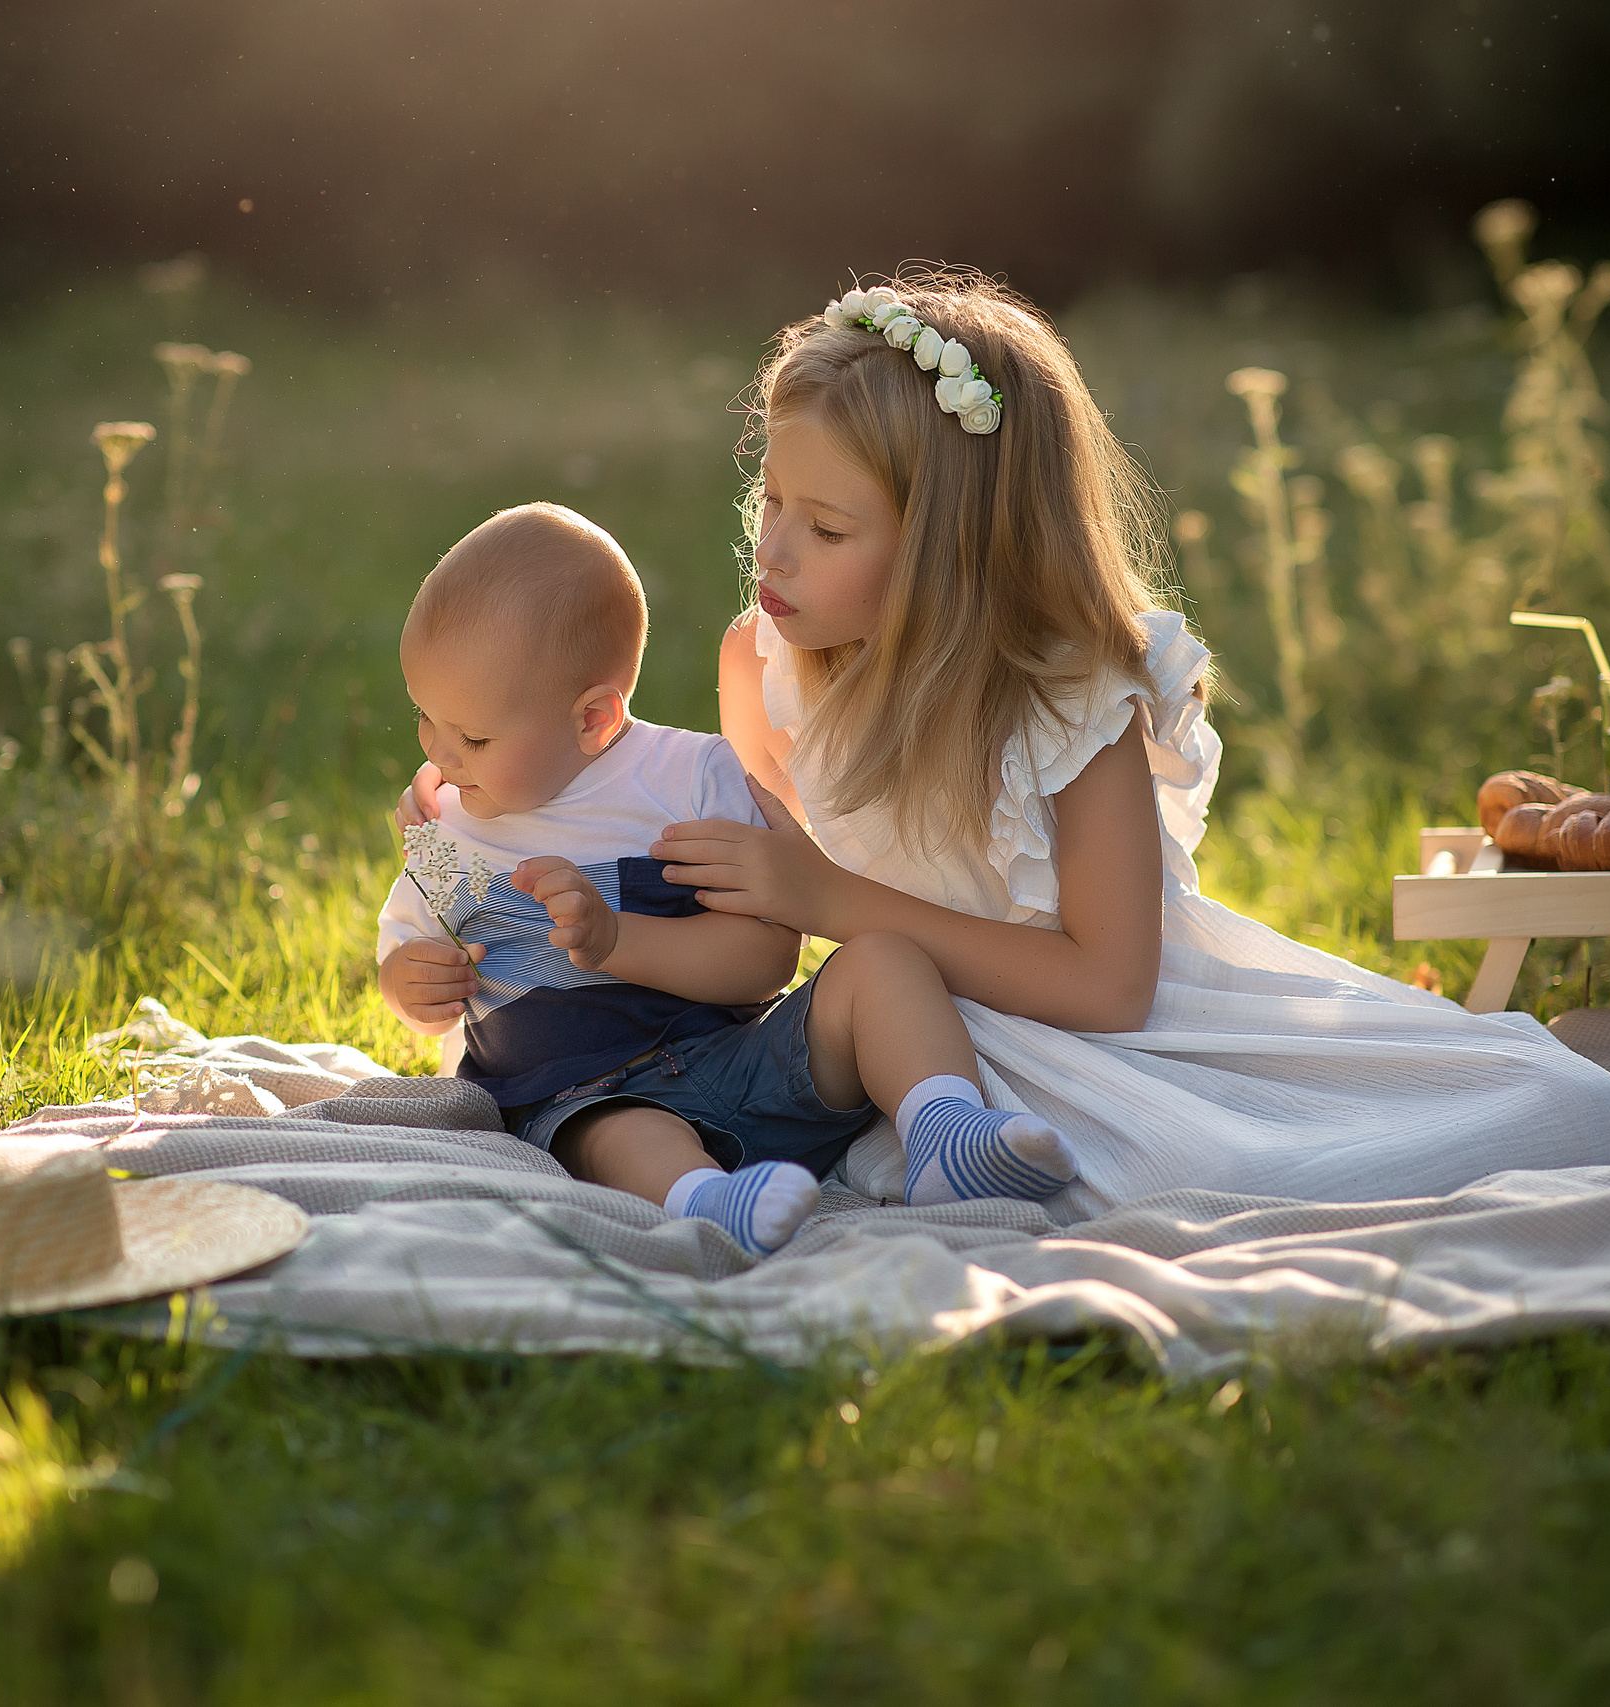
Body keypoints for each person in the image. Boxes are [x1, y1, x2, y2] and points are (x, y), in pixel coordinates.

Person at [406, 275, 1610, 1214]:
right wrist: (479, 815)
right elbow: (704, 857)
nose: (772, 552)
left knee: (1494, 1116)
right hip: (914, 1031)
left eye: (825, 528)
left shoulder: (1072, 709)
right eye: (769, 503)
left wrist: (834, 896)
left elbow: (1110, 985)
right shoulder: (763, 666)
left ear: (954, 546)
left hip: (1110, 1028)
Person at [376, 501, 1084, 1257]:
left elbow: (768, 960)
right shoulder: (447, 833)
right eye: (425, 718)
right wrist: (408, 983)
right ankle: (711, 1201)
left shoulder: (685, 779)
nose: (441, 755)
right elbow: (413, 960)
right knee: (621, 1134)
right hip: (581, 1100)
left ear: (593, 719)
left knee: (886, 959)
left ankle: (946, 1129)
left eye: (474, 736)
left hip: (743, 1064)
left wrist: (618, 939)